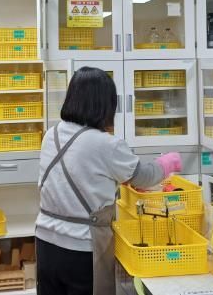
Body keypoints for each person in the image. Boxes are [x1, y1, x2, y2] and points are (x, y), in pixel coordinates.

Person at [35, 67, 182, 295]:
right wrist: (168, 162)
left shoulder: (50, 134)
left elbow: (81, 172)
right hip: (82, 247)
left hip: (45, 242)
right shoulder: (105, 144)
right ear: (105, 105)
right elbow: (144, 177)